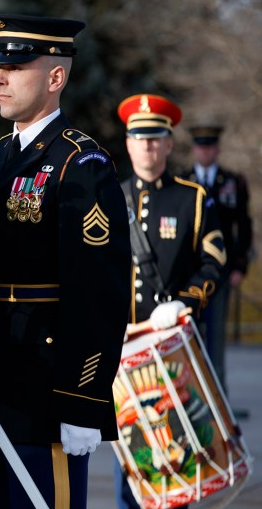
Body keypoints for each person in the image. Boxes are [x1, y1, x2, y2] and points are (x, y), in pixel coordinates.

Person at [0, 14, 131, 508]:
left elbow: (99, 292)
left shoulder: (82, 164)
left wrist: (83, 400)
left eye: (15, 66)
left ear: (55, 78)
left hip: (46, 387)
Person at [114, 94, 227, 509]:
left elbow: (214, 259)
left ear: (169, 143)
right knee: (131, 456)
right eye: (138, 137)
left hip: (172, 347)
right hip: (124, 348)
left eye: (155, 137)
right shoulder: (108, 196)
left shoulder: (193, 199)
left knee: (176, 454)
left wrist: (184, 303)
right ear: (128, 143)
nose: (146, 145)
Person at [177, 125, 253, 391]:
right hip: (189, 273)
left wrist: (240, 266)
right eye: (201, 146)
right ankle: (192, 396)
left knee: (216, 340)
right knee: (189, 337)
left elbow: (243, 227)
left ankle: (219, 400)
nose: (205, 151)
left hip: (220, 272)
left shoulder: (232, 182)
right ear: (195, 149)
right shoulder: (183, 180)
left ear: (217, 149)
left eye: (209, 146)